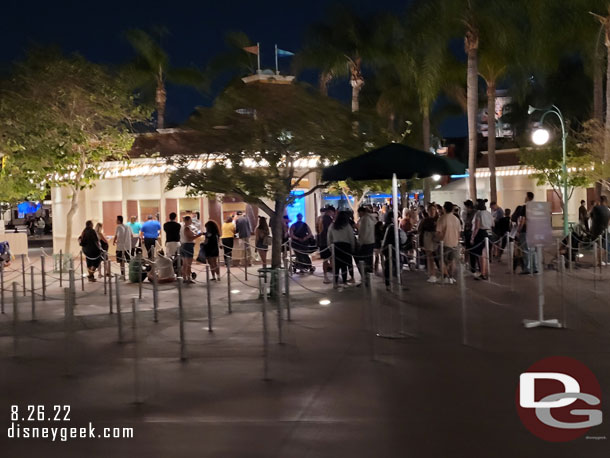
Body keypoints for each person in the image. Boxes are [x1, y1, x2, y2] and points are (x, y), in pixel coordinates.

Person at [327, 211, 356, 287]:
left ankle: (335, 282)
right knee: (345, 265)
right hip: (346, 246)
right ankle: (344, 281)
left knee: (336, 265)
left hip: (336, 246)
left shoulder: (333, 225)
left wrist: (330, 247)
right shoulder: (347, 226)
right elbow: (351, 237)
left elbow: (329, 237)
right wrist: (352, 247)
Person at [436, 201, 461, 284]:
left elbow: (438, 232)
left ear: (444, 208)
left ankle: (445, 276)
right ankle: (451, 277)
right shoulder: (456, 219)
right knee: (452, 261)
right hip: (454, 243)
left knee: (441, 260)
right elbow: (459, 231)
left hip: (444, 243)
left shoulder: (442, 218)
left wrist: (438, 239)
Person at [470, 199, 493, 280]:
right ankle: (486, 271)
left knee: (481, 255)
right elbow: (493, 224)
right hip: (489, 233)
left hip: (481, 234)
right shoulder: (489, 213)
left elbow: (477, 227)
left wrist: (472, 237)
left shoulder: (478, 214)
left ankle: (482, 273)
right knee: (486, 253)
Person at [515, 192, 537, 274]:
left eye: (525, 196)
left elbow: (523, 220)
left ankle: (527, 268)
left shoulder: (525, 207)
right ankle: (535, 267)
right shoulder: (535, 207)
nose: (525, 198)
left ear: (528, 197)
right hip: (534, 230)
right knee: (533, 249)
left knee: (525, 250)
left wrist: (518, 230)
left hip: (526, 231)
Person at [419, 203, 439, 283]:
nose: (432, 211)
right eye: (430, 210)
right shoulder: (425, 221)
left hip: (437, 239)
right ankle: (432, 274)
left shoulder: (438, 219)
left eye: (434, 210)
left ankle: (444, 274)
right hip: (428, 239)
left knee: (438, 257)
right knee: (429, 257)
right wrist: (421, 244)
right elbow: (421, 232)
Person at [179, 215, 202, 283]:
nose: (191, 221)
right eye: (190, 220)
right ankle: (188, 278)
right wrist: (198, 235)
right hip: (188, 246)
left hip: (183, 245)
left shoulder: (182, 228)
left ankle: (184, 278)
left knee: (184, 263)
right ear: (187, 220)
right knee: (188, 264)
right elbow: (189, 238)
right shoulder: (187, 228)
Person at [357, 206, 376, 282]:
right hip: (371, 241)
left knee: (364, 260)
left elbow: (363, 232)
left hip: (365, 243)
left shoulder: (365, 220)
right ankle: (369, 276)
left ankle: (366, 277)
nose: (358, 215)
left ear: (361, 212)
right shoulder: (371, 218)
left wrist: (360, 243)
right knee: (369, 259)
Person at [590, 196, 610, 266]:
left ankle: (597, 261)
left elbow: (590, 216)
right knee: (603, 246)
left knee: (597, 246)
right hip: (605, 229)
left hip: (596, 229)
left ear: (600, 201)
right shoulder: (608, 209)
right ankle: (600, 260)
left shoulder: (596, 208)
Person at [318, 206, 335, 283]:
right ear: (330, 211)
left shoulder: (320, 218)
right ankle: (332, 276)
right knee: (330, 259)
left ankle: (326, 276)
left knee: (326, 259)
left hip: (322, 242)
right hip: (327, 242)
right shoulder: (328, 219)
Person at [462, 200, 477, 273]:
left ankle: (472, 266)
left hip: (470, 232)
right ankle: (471, 265)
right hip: (469, 232)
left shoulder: (473, 213)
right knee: (469, 249)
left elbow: (468, 222)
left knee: (470, 249)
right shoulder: (470, 213)